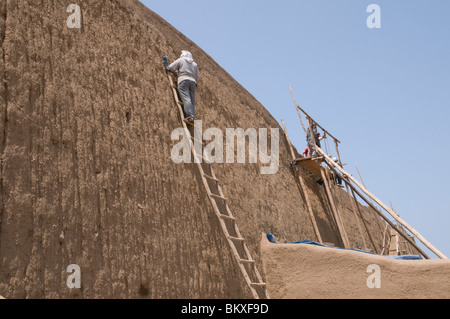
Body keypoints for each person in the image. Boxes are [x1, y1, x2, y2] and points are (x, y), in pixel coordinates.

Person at [167, 51, 200, 123]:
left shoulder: (181, 60)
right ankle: (193, 116)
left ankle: (190, 116)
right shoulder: (194, 64)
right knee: (192, 101)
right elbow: (198, 76)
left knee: (186, 98)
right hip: (193, 83)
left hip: (183, 80)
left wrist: (177, 73)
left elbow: (171, 67)